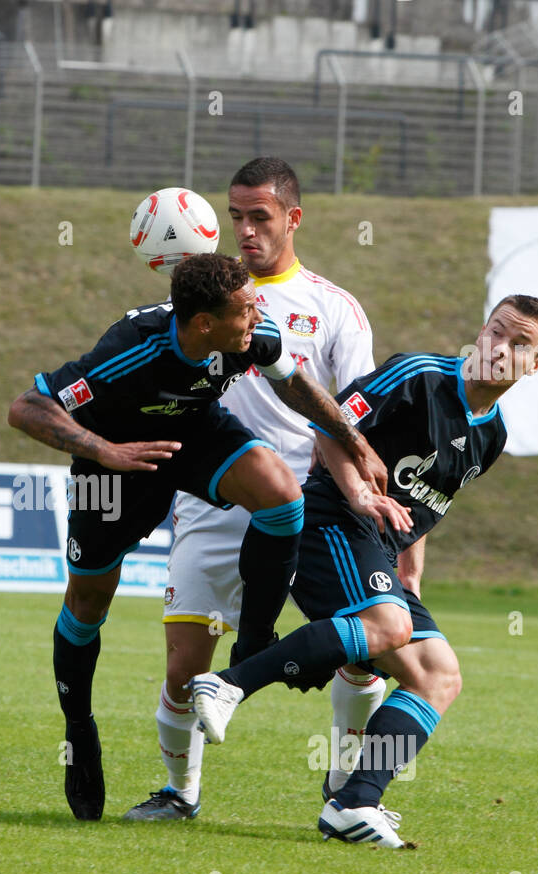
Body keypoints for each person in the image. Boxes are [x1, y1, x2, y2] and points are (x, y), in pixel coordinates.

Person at [7, 252, 395, 820]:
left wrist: (353, 440)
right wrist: (104, 451)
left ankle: (254, 642)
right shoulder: (131, 348)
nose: (258, 312)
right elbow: (26, 408)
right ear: (204, 324)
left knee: (283, 495)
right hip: (116, 468)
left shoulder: (252, 335)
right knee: (87, 602)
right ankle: (79, 728)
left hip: (193, 435)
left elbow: (297, 386)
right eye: (245, 307)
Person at [189, 295, 538, 847]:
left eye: (520, 345)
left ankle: (355, 801)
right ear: (481, 331)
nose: (502, 350)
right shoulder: (418, 376)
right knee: (389, 628)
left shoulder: (492, 434)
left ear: (536, 363)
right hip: (329, 520)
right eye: (497, 332)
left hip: (378, 552)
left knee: (439, 674)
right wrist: (360, 493)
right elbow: (326, 427)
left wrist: (412, 576)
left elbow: (429, 504)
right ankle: (226, 685)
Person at [123, 157, 389, 823]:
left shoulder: (334, 310)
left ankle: (347, 774)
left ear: (293, 218)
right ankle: (180, 795)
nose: (243, 229)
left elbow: (355, 414)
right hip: (211, 501)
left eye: (259, 216)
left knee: (364, 651)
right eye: (235, 215)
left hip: (310, 503)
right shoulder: (203, 296)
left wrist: (360, 494)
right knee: (185, 667)